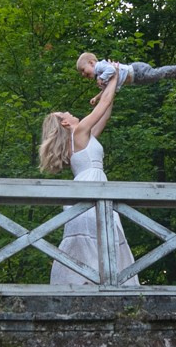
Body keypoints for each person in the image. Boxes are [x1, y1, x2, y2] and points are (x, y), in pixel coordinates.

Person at [37, 73, 137, 286]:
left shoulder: (82, 136)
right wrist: (114, 77)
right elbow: (103, 106)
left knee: (99, 236)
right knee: (100, 235)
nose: (71, 113)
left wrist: (106, 89)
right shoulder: (80, 132)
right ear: (65, 122)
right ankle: (98, 282)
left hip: (89, 186)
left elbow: (105, 114)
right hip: (91, 187)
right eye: (67, 113)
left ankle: (92, 281)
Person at [77, 50, 176, 88]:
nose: (83, 74)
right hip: (135, 79)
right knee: (156, 77)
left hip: (136, 71)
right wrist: (97, 97)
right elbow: (110, 88)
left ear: (91, 63)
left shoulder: (99, 66)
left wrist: (102, 78)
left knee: (155, 74)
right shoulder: (101, 75)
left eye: (83, 70)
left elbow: (112, 69)